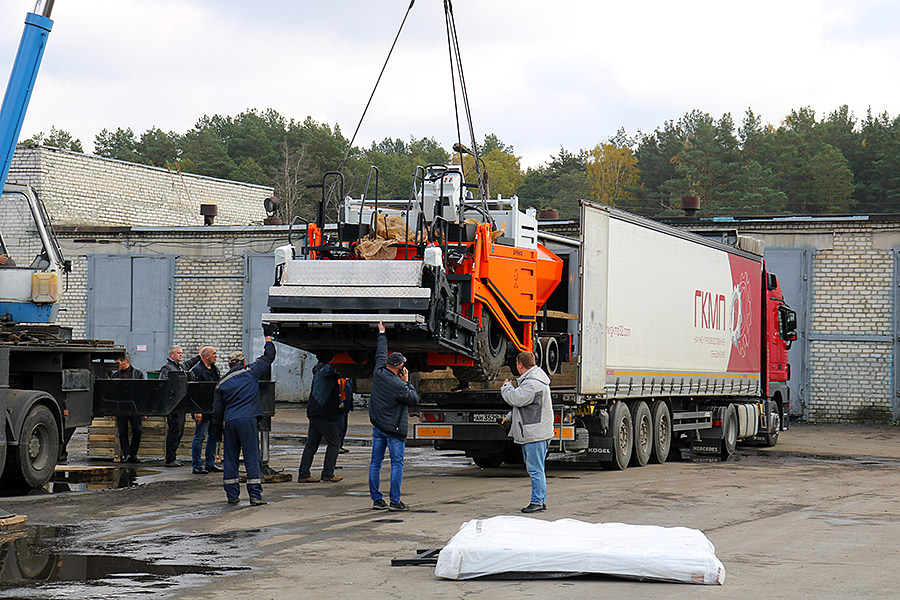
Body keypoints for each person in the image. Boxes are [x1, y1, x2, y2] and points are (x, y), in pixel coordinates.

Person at [213, 337, 276, 506]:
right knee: (251, 457)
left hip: (230, 422)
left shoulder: (221, 383)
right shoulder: (251, 371)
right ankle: (255, 496)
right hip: (248, 421)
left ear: (228, 365)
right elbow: (269, 357)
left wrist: (217, 433)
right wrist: (268, 340)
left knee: (231, 459)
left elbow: (217, 412)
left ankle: (232, 496)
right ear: (243, 361)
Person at [368, 321, 419, 511]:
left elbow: (381, 352)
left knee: (375, 463)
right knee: (397, 464)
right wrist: (408, 382)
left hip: (378, 427)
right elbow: (413, 399)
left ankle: (377, 500)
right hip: (394, 430)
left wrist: (382, 333)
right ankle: (395, 501)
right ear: (399, 368)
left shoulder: (379, 371)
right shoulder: (400, 386)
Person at [500, 350, 554, 513]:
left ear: (520, 364)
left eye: (516, 363)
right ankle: (540, 500)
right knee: (537, 468)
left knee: (535, 469)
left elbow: (516, 398)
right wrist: (509, 417)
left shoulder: (532, 383)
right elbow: (525, 405)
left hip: (535, 433)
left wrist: (506, 387)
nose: (515, 366)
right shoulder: (534, 379)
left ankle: (537, 502)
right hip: (536, 431)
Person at [298, 351, 344, 483]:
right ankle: (328, 473)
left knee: (311, 445)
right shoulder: (324, 372)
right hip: (323, 413)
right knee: (334, 443)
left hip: (315, 412)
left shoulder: (320, 371)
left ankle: (304, 474)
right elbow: (333, 366)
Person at [159, 345, 201, 467]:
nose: (181, 355)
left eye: (181, 353)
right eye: (178, 353)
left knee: (179, 431)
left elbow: (188, 364)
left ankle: (173, 456)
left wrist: (198, 357)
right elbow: (164, 385)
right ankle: (170, 458)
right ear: (171, 354)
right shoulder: (167, 368)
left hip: (181, 405)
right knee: (174, 431)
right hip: (173, 407)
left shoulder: (180, 367)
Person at [190, 346, 221, 475]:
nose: (216, 356)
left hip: (213, 409)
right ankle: (197, 465)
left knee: (213, 437)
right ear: (206, 356)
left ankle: (210, 464)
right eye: (214, 354)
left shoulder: (215, 370)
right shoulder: (197, 371)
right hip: (202, 410)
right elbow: (193, 392)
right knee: (200, 437)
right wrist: (197, 410)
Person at [111, 354, 146, 463]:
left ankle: (133, 454)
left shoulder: (138, 373)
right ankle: (127, 454)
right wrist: (112, 409)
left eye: (118, 362)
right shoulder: (115, 375)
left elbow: (142, 392)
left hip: (134, 407)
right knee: (123, 431)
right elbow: (112, 393)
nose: (117, 365)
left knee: (137, 430)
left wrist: (143, 409)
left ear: (125, 361)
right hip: (121, 407)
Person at [337, 377, 354, 453]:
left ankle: (340, 444)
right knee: (339, 427)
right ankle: (337, 446)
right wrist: (340, 402)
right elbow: (337, 392)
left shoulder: (347, 379)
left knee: (343, 427)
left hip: (345, 406)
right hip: (340, 407)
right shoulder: (339, 380)